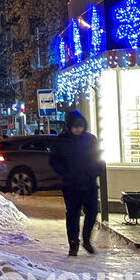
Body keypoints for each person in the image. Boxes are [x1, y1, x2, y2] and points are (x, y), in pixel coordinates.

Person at [49, 110, 105, 256]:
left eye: (80, 126)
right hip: (71, 185)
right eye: (75, 126)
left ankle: (86, 239)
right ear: (69, 126)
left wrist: (95, 171)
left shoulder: (90, 139)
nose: (78, 129)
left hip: (89, 183)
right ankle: (73, 243)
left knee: (92, 212)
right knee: (73, 214)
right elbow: (54, 161)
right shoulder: (61, 141)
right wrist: (66, 175)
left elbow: (99, 158)